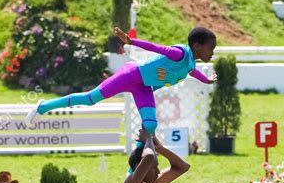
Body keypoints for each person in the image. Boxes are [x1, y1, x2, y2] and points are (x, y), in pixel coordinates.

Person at [26, 26, 217, 133]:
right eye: (211, 48)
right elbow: (155, 47)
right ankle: (43, 106)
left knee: (151, 124)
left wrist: (206, 80)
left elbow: (191, 71)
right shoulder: (178, 53)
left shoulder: (190, 62)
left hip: (144, 86)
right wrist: (131, 42)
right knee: (90, 99)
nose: (213, 53)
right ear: (198, 46)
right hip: (131, 76)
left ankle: (138, 165)